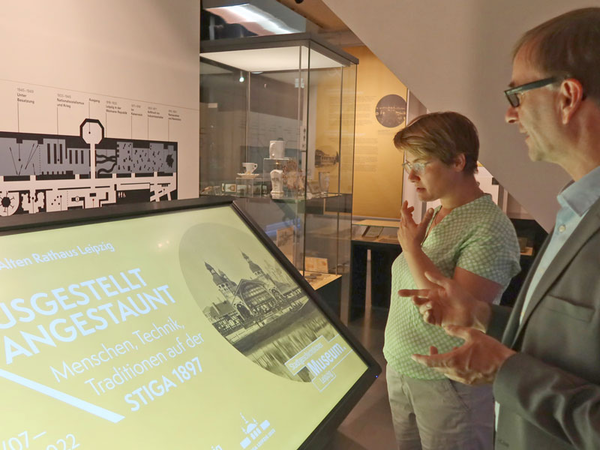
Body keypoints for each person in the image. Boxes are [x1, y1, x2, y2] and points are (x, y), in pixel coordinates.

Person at [401, 7, 600, 450]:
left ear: (567, 97)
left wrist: (506, 371)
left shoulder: (494, 226)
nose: (511, 117)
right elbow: (562, 340)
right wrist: (483, 316)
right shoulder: (576, 210)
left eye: (518, 96)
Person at [384, 111, 520, 450]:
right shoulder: (434, 215)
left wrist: (411, 249)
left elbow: (455, 311)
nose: (412, 175)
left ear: (458, 161)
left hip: (449, 380)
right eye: (407, 165)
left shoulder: (489, 228)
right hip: (402, 368)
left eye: (420, 163)